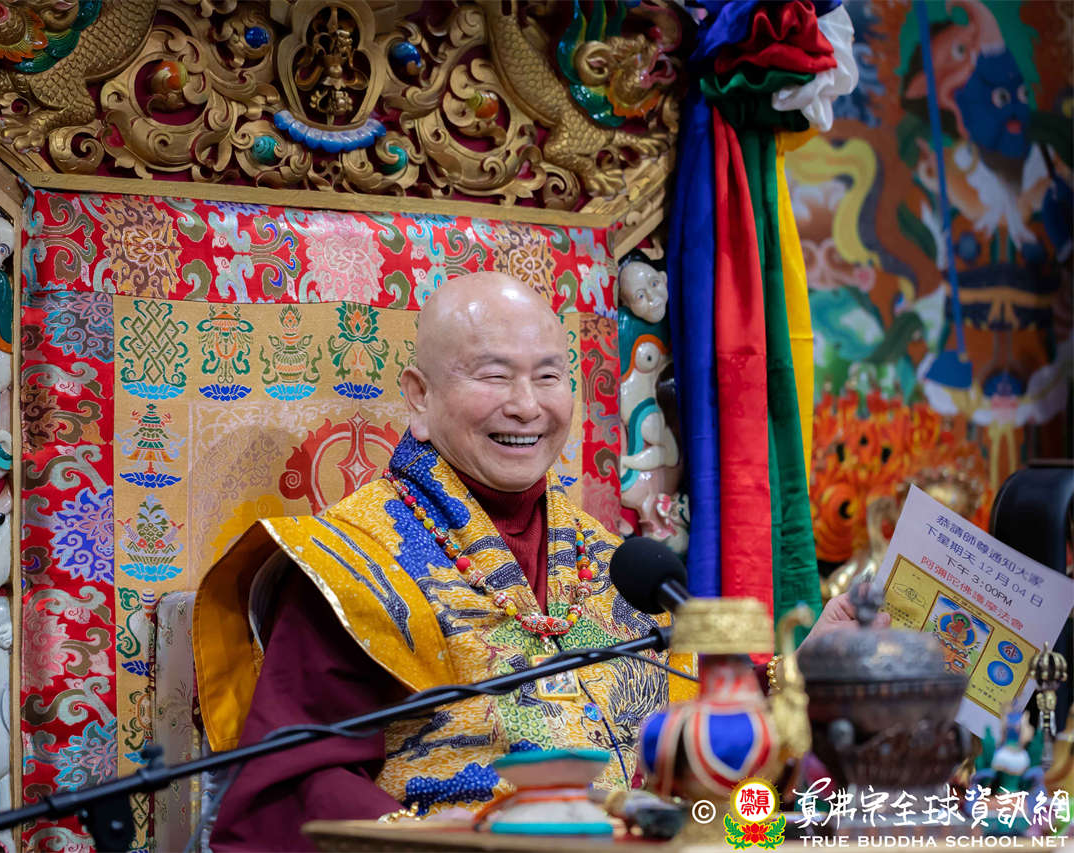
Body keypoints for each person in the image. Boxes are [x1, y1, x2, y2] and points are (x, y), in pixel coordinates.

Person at [193, 272, 861, 850]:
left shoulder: (614, 561)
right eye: (494, 375)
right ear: (419, 396)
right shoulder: (356, 563)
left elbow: (686, 765)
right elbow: (293, 783)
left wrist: (805, 682)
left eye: (548, 376)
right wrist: (448, 844)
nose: (527, 405)